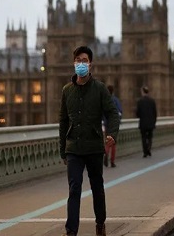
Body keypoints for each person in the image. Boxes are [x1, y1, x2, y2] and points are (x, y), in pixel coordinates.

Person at [59, 46, 120, 236]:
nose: (81, 63)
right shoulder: (67, 90)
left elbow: (112, 114)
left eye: (85, 60)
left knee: (97, 188)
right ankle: (71, 231)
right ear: (74, 63)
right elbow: (63, 122)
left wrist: (112, 134)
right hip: (74, 148)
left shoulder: (100, 89)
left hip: (94, 147)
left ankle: (100, 224)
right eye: (78, 60)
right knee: (74, 189)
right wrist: (63, 150)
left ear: (90, 64)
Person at [104, 85, 123, 167]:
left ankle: (106, 153)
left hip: (107, 124)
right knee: (113, 142)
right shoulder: (116, 100)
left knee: (108, 141)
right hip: (114, 124)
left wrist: (103, 122)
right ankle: (112, 161)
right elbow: (120, 111)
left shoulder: (104, 100)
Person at [136, 86, 157, 158]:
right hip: (151, 122)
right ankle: (149, 149)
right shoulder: (152, 101)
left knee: (144, 137)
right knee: (150, 137)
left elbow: (137, 113)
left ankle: (145, 152)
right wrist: (154, 121)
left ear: (142, 92)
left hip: (143, 123)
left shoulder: (140, 101)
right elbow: (155, 113)